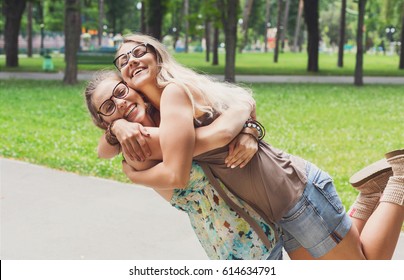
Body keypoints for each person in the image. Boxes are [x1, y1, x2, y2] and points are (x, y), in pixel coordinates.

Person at [110, 33, 404, 260]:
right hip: (271, 209)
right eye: (123, 61)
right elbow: (105, 144)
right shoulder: (156, 115)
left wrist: (133, 174)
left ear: (157, 56)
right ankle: (372, 193)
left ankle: (399, 178)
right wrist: (116, 125)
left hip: (294, 194)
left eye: (138, 53)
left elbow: (219, 132)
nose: (131, 61)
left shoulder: (176, 92)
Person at [84, 70, 284, 260]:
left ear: (132, 89)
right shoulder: (138, 148)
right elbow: (217, 135)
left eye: (120, 92)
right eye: (108, 107)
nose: (119, 103)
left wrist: (250, 127)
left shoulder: (165, 111)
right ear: (103, 122)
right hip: (242, 242)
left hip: (262, 214)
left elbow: (233, 104)